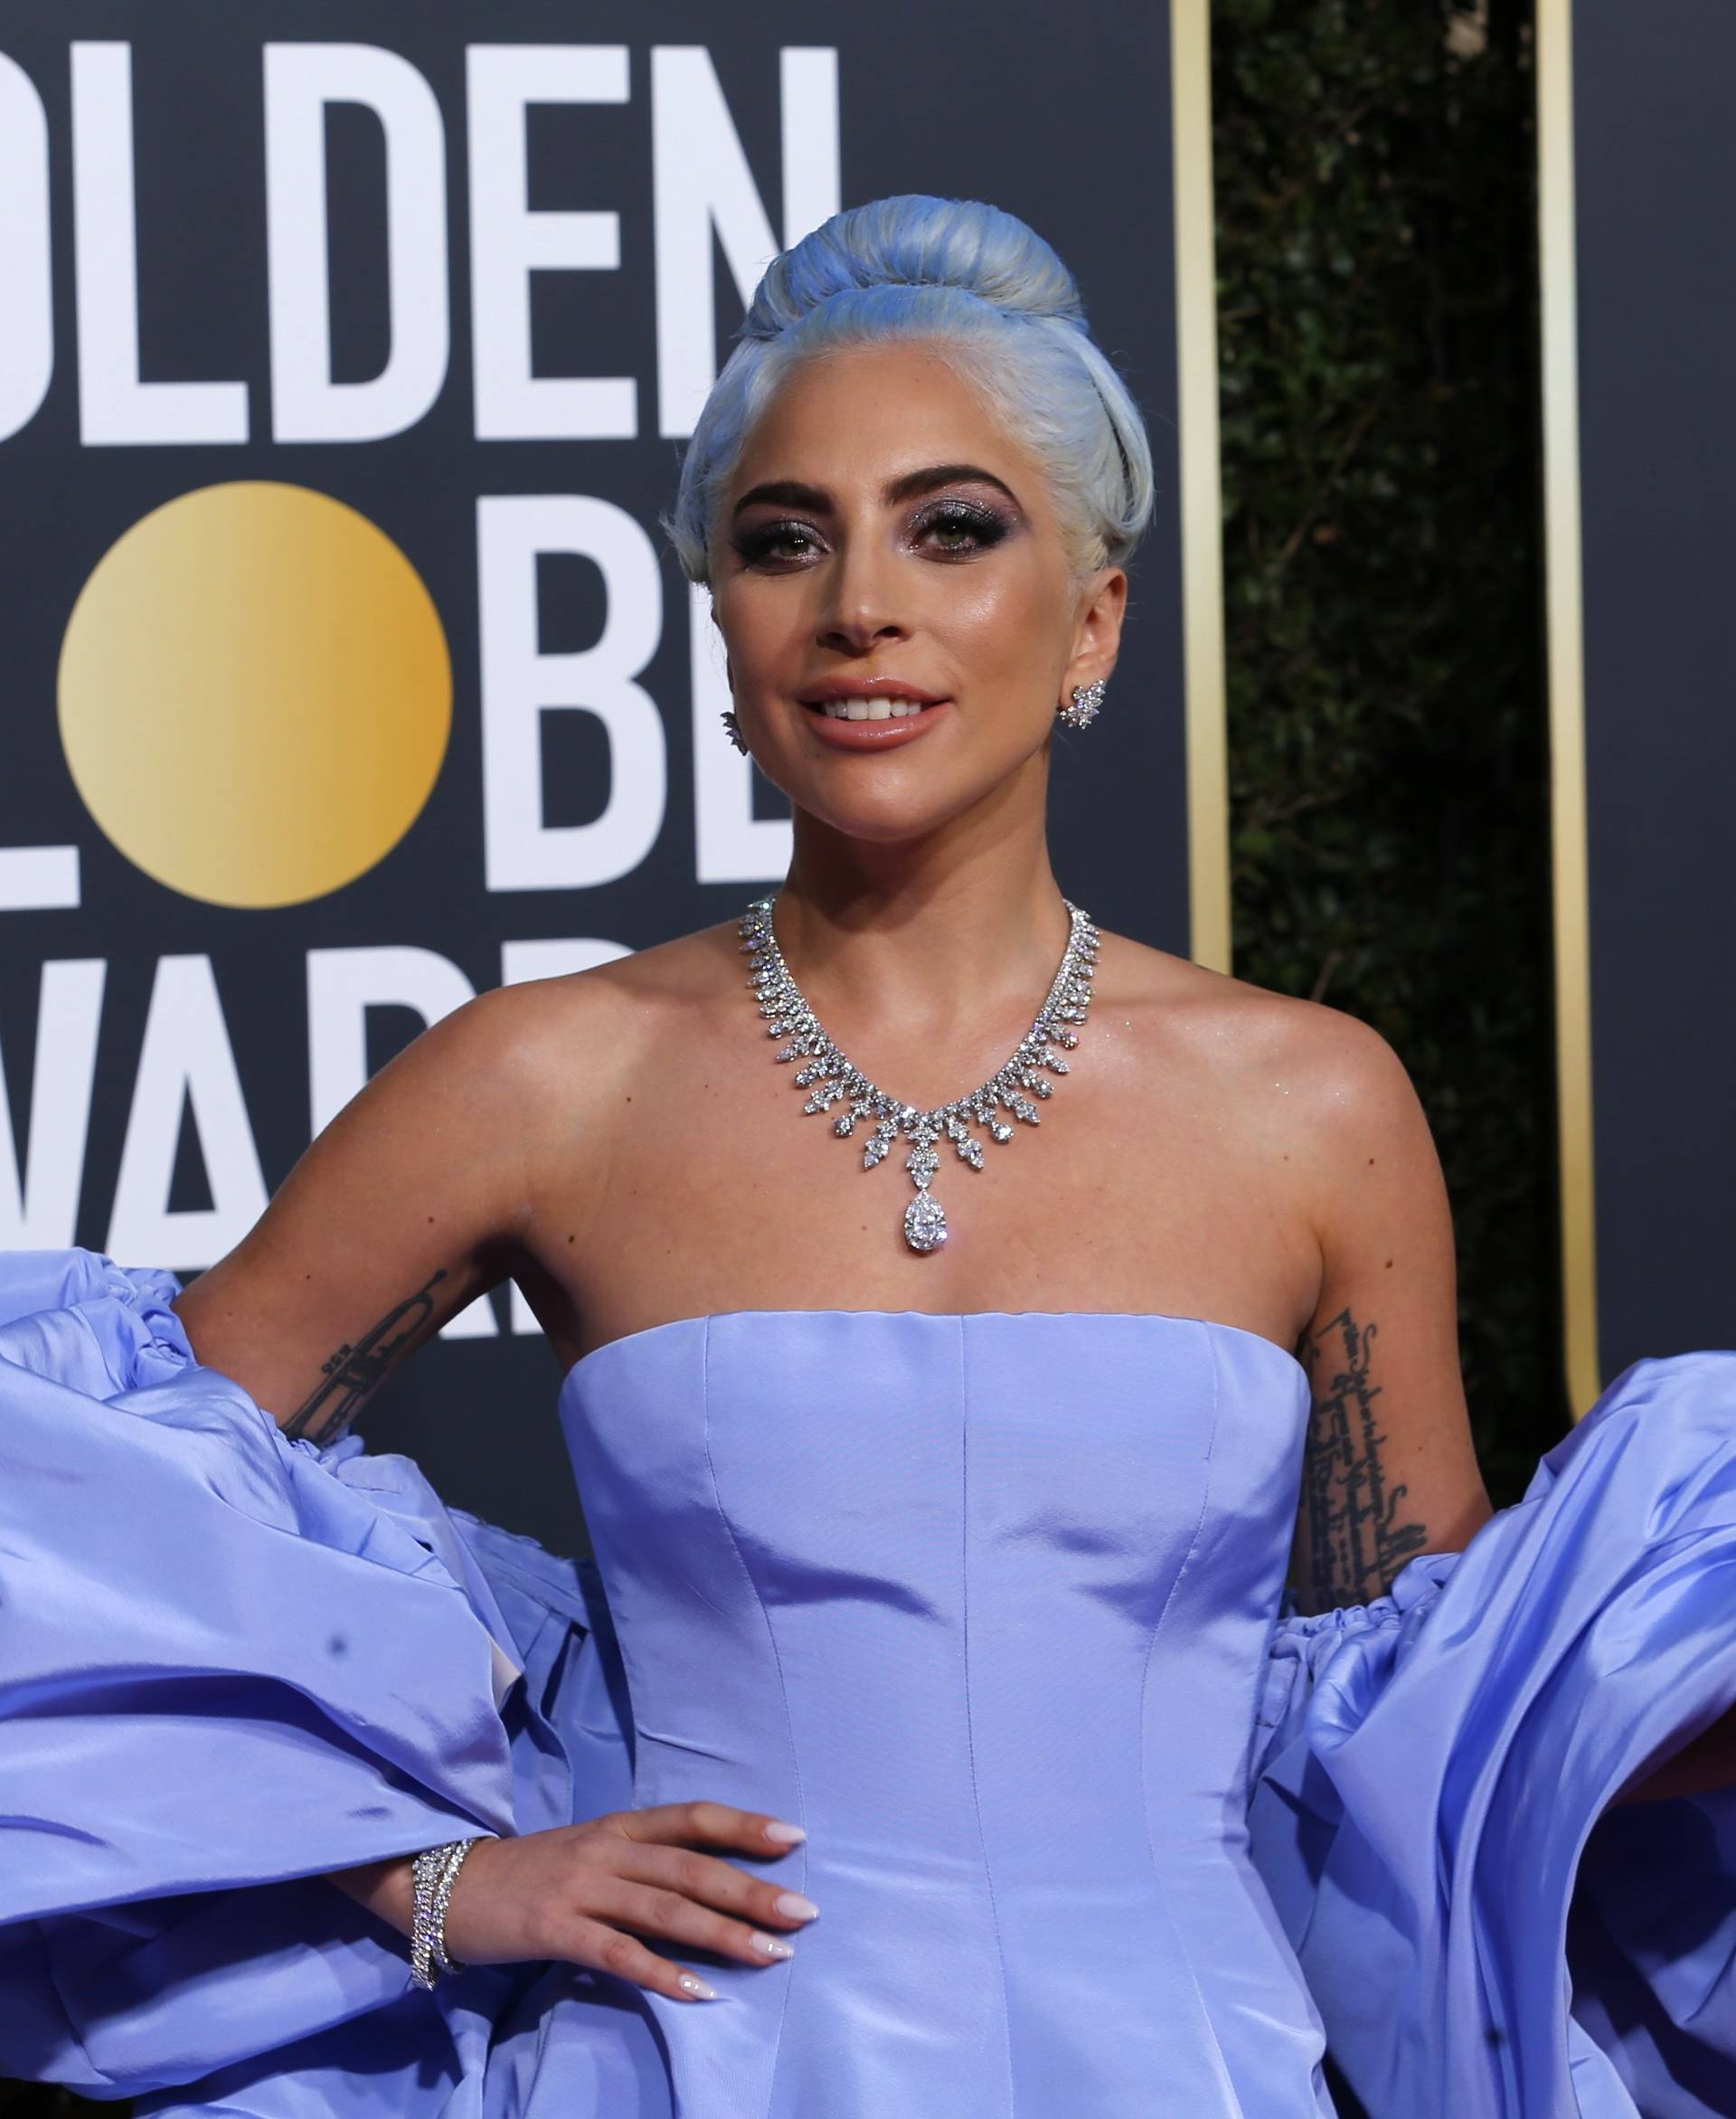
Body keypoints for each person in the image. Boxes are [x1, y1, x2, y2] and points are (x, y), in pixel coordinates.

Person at [2, 194, 1734, 2119]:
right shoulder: (546, 1078)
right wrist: (430, 1882)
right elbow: (91, 1522)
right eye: (782, 539)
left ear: (1093, 614)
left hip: (1193, 2065)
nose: (859, 606)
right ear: (725, 620)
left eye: (953, 525)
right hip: (681, 2066)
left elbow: (1432, 1690)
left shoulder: (1311, 1103)